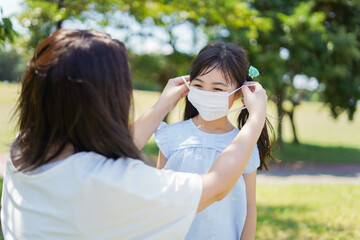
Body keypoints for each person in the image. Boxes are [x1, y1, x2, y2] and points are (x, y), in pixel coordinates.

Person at [1, 29, 268, 240]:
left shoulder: (22, 151)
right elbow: (217, 185)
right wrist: (255, 119)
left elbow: (104, 152)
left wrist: (162, 105)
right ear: (105, 102)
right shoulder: (120, 183)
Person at [155, 42, 275, 240]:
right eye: (199, 85)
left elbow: (250, 205)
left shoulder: (244, 143)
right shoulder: (171, 136)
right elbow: (159, 193)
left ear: (239, 93)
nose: (206, 94)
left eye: (217, 89)